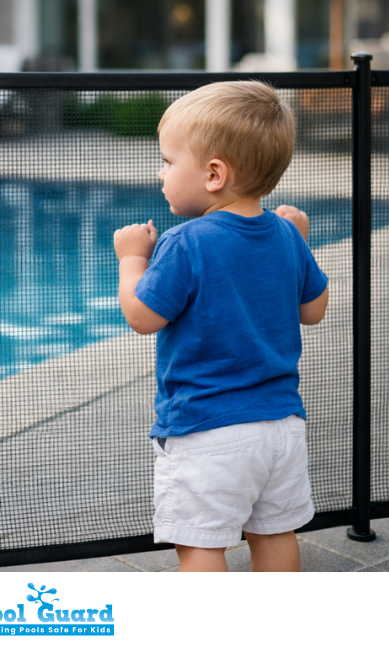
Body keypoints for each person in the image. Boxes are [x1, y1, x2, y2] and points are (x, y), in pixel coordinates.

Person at [113, 81, 329, 572]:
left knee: (201, 546)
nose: (161, 173)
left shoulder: (184, 242)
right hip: (281, 428)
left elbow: (143, 317)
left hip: (207, 430)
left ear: (214, 174)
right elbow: (313, 310)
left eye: (168, 162)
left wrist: (131, 260)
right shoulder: (284, 232)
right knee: (274, 533)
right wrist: (300, 242)